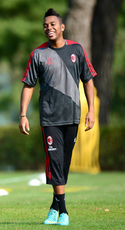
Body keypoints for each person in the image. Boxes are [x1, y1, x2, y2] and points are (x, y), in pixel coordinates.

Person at [19, 8, 96, 226]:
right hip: (49, 118)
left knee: (63, 165)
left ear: (62, 27)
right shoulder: (38, 54)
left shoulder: (77, 49)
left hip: (72, 116)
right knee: (54, 163)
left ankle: (54, 207)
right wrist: (23, 114)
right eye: (45, 25)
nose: (48, 28)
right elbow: (28, 85)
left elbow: (88, 80)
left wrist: (91, 110)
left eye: (53, 24)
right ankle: (63, 211)